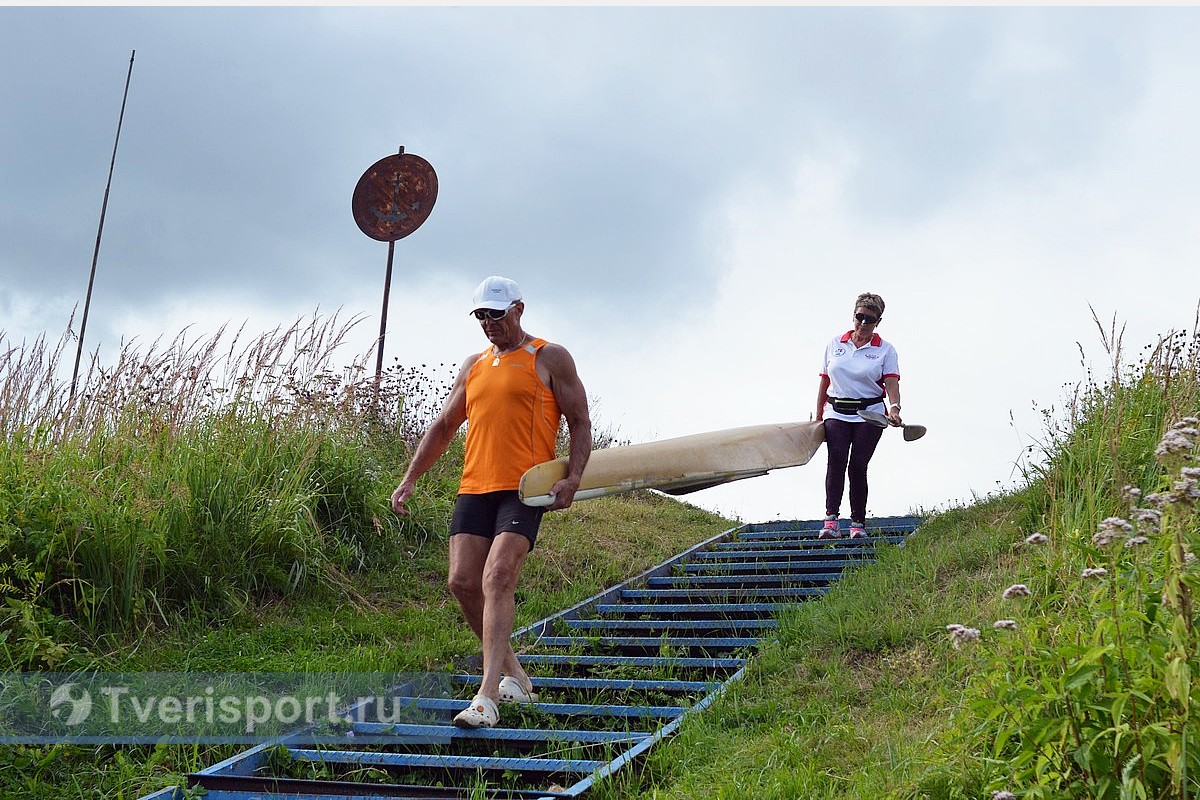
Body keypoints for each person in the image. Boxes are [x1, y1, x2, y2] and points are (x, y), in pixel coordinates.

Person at [391, 275, 592, 729]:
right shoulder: (474, 365)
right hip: (475, 486)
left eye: (496, 315)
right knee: (462, 582)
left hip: (525, 488)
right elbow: (443, 427)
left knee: (498, 576)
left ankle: (486, 697)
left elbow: (580, 421)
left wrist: (573, 478)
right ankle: (516, 675)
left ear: (518, 309)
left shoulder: (549, 357)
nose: (488, 324)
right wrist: (409, 480)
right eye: (481, 315)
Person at [814, 292, 902, 539]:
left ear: (878, 322)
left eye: (869, 320)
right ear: (853, 316)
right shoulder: (835, 344)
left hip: (870, 414)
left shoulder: (885, 350)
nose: (863, 324)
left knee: (857, 465)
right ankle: (831, 521)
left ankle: (857, 524)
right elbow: (824, 381)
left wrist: (894, 407)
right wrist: (818, 415)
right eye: (859, 317)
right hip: (836, 411)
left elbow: (892, 382)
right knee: (836, 459)